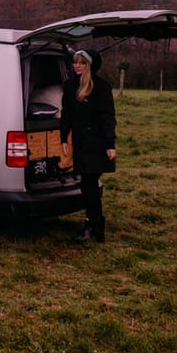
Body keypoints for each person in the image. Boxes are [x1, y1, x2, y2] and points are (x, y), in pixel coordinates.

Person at [59, 49, 116, 242]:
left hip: (97, 144)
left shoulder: (101, 87)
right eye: (75, 62)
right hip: (79, 144)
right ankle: (96, 226)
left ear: (90, 65)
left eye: (82, 63)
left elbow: (107, 116)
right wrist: (63, 138)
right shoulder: (69, 86)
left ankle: (92, 226)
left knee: (89, 185)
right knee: (87, 185)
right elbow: (66, 114)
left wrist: (110, 144)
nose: (77, 66)